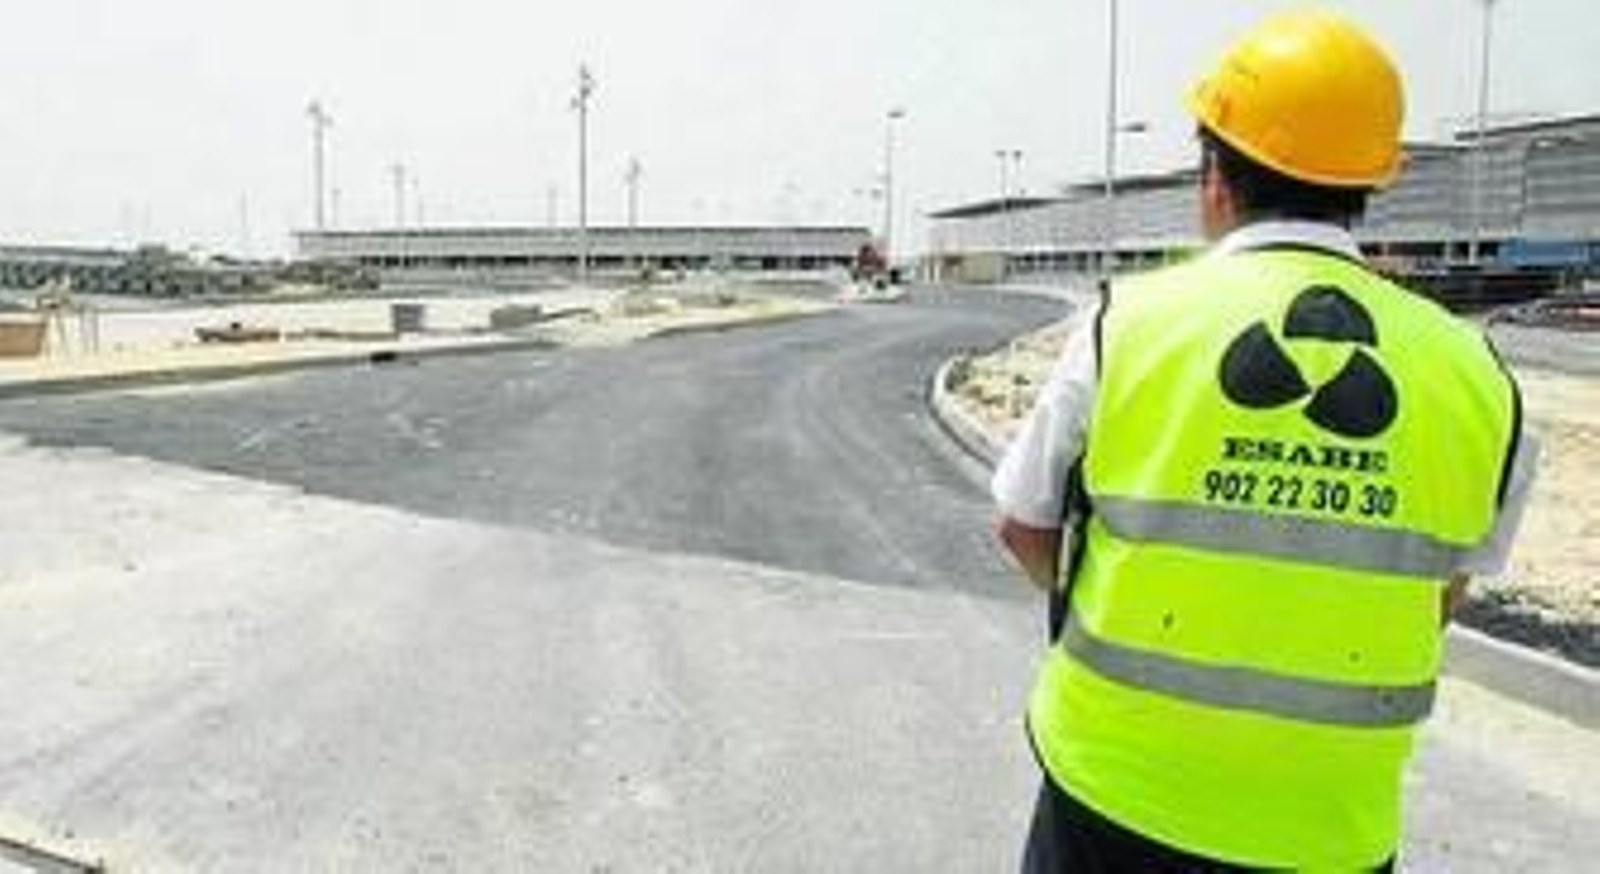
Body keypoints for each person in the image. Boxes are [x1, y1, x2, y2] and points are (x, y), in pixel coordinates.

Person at [992, 9, 1538, 872]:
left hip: (1113, 785)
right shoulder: (1478, 377)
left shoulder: (1128, 325)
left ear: (1216, 176)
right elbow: (1441, 589)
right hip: (1326, 827)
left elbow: (1025, 528)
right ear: (1371, 183)